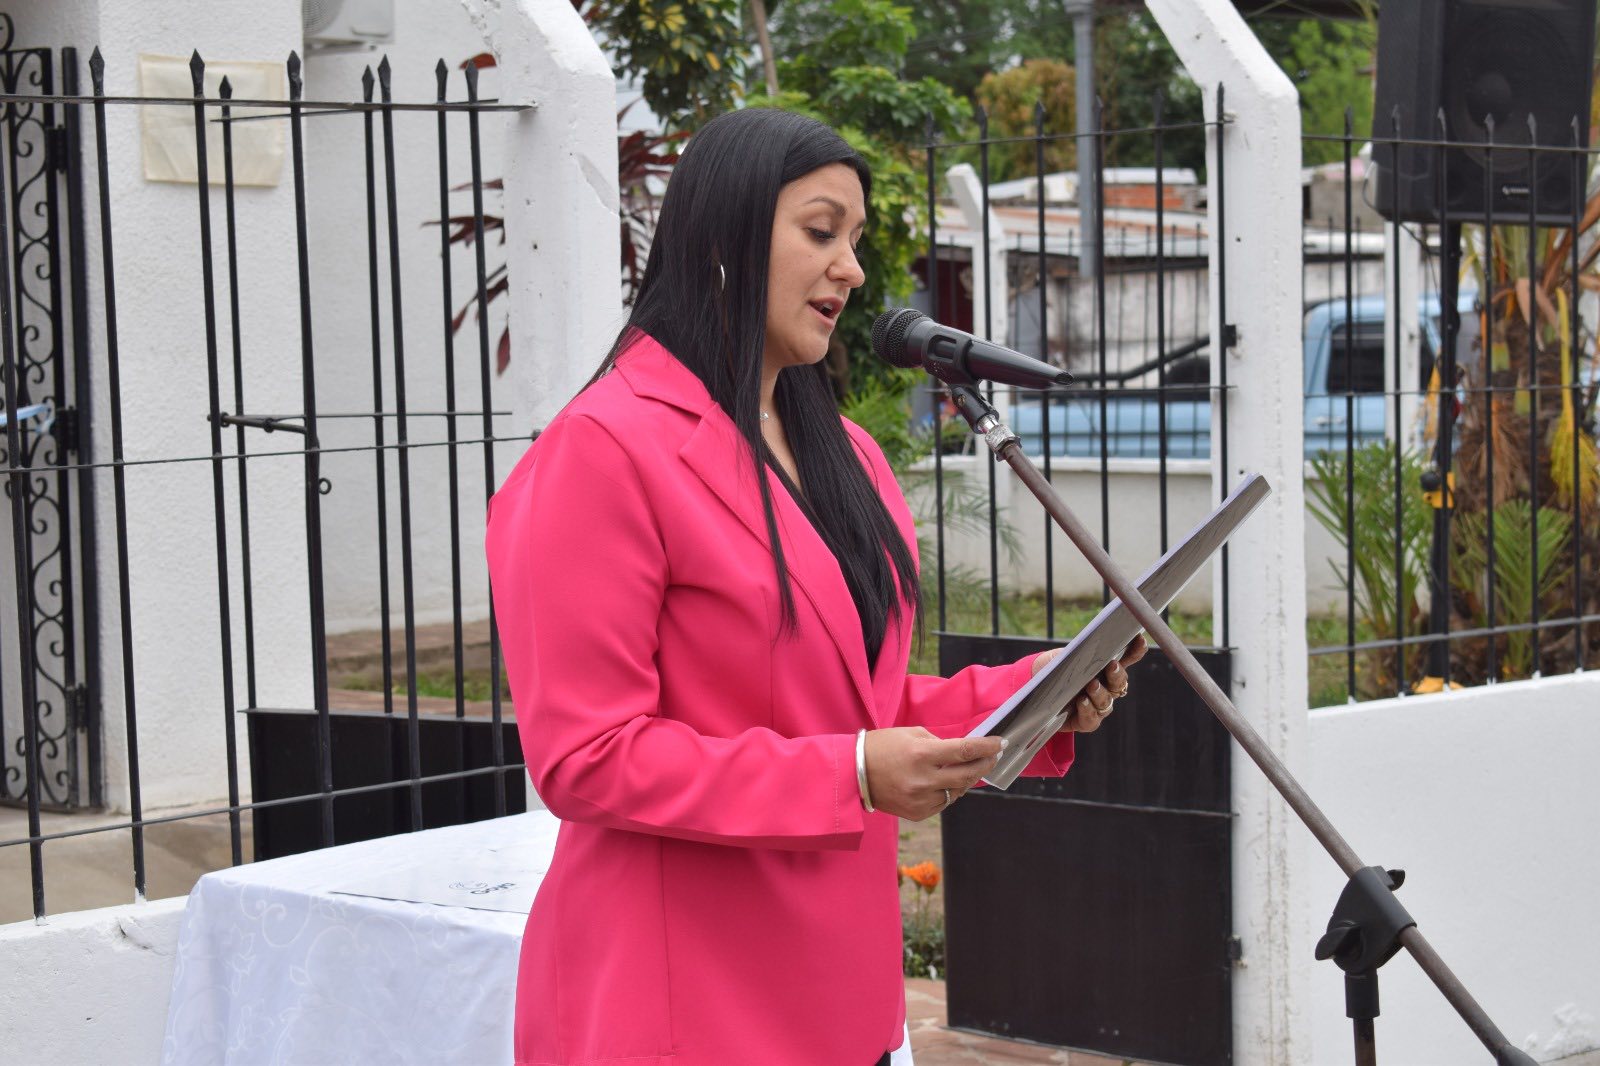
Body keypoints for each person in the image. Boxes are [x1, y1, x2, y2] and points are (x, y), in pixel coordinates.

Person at [484, 108, 1146, 1066]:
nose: (852, 269)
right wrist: (850, 774)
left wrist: (1030, 698)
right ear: (722, 239)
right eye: (820, 230)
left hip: (839, 995)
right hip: (680, 1004)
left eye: (856, 240)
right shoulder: (601, 453)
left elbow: (852, 705)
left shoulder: (848, 458)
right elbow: (587, 754)